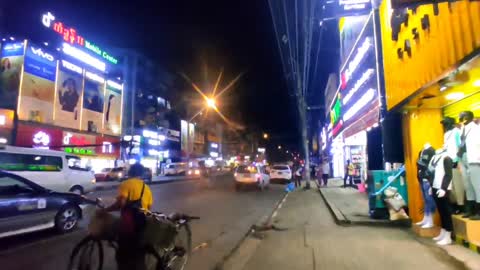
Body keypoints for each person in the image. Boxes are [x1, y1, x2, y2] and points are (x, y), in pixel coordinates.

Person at [102, 162, 154, 270]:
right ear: (142, 173)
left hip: (128, 225)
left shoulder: (126, 184)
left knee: (123, 255)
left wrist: (107, 210)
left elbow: (121, 204)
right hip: (141, 225)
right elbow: (149, 209)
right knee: (139, 255)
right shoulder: (146, 188)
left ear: (130, 172)